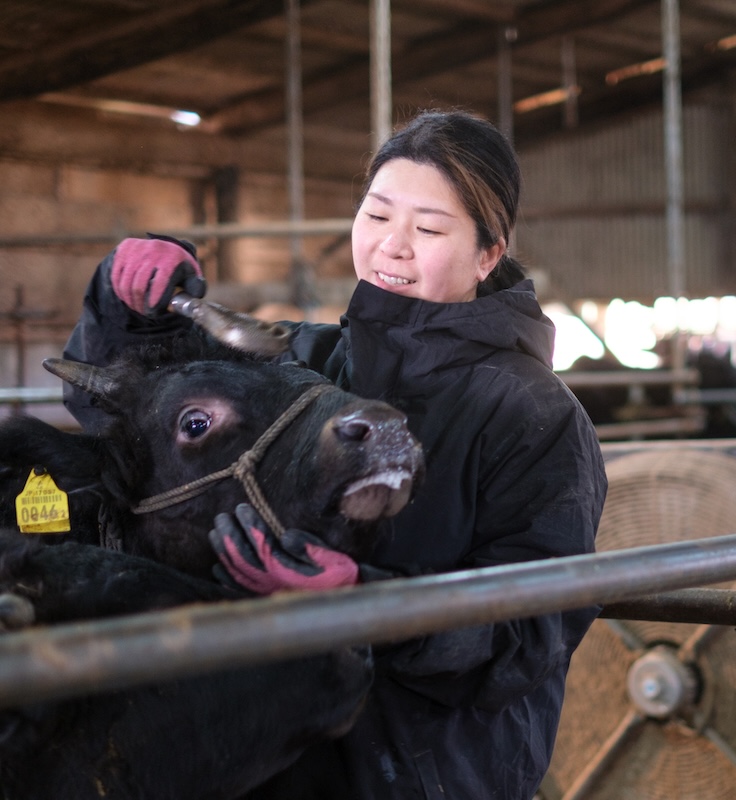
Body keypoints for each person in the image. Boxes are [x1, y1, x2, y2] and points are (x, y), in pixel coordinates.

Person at [64, 109, 607, 799]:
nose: (392, 246)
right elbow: (124, 414)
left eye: (429, 230)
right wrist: (127, 307)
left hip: (426, 773)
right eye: (376, 215)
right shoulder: (302, 360)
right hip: (267, 760)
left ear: (487, 254)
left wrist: (364, 602)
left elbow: (531, 632)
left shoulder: (534, 413)